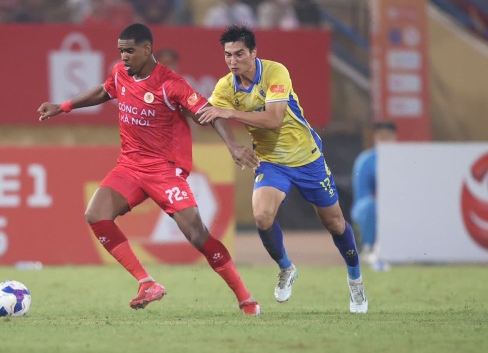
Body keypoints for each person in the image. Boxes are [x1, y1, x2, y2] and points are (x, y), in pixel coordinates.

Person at [38, 23, 261, 315]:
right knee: (96, 215)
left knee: (197, 235)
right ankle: (147, 283)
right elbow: (104, 92)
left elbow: (209, 114)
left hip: (165, 170)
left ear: (147, 49)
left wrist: (232, 146)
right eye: (121, 51)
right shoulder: (120, 73)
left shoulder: (171, 84)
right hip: (130, 165)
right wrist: (63, 106)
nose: (124, 57)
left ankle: (246, 298)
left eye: (130, 51)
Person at [198, 24, 368, 313]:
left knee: (335, 224)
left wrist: (228, 111)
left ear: (253, 52)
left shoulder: (276, 72)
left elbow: (274, 119)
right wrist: (233, 146)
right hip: (271, 161)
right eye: (228, 55)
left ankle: (356, 281)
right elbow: (211, 116)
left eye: (239, 54)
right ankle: (287, 268)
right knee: (262, 217)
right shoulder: (226, 86)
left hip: (307, 158)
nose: (232, 61)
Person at [351, 120, 397, 271]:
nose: (384, 140)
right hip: (371, 206)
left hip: (397, 205)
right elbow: (362, 195)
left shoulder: (402, 159)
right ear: (375, 138)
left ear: (395, 137)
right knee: (369, 207)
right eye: (381, 136)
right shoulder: (365, 161)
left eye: (388, 136)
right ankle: (369, 248)